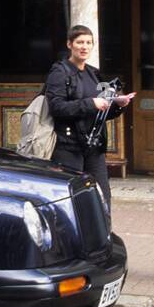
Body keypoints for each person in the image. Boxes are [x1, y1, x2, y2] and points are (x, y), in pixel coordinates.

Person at [45, 25, 135, 207]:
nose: (84, 47)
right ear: (70, 44)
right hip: (68, 147)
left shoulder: (94, 73)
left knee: (102, 199)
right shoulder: (59, 72)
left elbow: (101, 111)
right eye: (79, 42)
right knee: (72, 200)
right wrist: (90, 103)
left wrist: (117, 105)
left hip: (94, 147)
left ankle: (103, 236)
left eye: (88, 42)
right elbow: (57, 107)